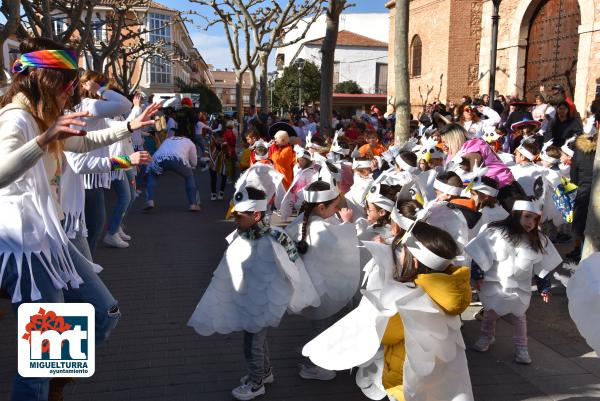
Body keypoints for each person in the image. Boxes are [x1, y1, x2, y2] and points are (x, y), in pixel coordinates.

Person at [0, 37, 159, 400]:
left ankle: (54, 381)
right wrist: (42, 140)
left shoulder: (42, 116)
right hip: (23, 244)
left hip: (49, 239)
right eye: (67, 82)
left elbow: (83, 143)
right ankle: (46, 384)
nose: (72, 91)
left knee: (104, 314)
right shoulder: (15, 118)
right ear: (45, 79)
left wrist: (130, 129)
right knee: (44, 358)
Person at [302, 222, 473, 401]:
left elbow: (383, 334)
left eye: (398, 252)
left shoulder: (410, 302)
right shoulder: (444, 291)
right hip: (430, 380)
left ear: (414, 261)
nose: (394, 255)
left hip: (404, 383)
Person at [187, 183, 318, 401]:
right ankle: (264, 373)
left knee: (252, 343)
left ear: (256, 215)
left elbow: (294, 269)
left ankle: (256, 383)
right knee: (257, 340)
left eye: (239, 217)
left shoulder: (274, 238)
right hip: (251, 299)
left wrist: (297, 295)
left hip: (264, 302)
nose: (235, 221)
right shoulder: (244, 234)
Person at [466, 199, 562, 364]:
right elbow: (479, 253)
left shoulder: (538, 240)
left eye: (534, 219)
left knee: (519, 317)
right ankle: (486, 337)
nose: (530, 223)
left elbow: (543, 266)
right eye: (527, 217)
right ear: (516, 215)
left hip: (521, 288)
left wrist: (544, 287)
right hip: (496, 284)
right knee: (490, 313)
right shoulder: (495, 233)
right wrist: (478, 275)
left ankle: (521, 348)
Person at [285, 178, 359, 380]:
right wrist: (347, 223)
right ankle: (317, 366)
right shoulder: (319, 228)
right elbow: (341, 245)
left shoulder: (302, 221)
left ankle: (316, 361)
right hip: (322, 287)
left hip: (310, 285)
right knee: (322, 327)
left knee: (320, 325)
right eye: (334, 207)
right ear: (321, 206)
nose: (336, 211)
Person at [76, 71, 133, 252]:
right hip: (99, 170)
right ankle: (113, 232)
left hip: (104, 168)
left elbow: (120, 129)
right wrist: (127, 161)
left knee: (89, 227)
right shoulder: (88, 107)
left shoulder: (95, 111)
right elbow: (125, 106)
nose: (107, 91)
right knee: (92, 226)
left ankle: (114, 231)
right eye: (104, 86)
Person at [566, 112, 599, 262]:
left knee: (580, 222)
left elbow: (574, 169)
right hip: (589, 188)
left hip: (585, 189)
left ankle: (578, 250)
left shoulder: (581, 148)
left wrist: (576, 183)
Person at [143, 129, 200, 212]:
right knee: (189, 176)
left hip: (159, 159)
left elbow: (157, 153)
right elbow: (194, 163)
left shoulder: (167, 140)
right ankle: (193, 204)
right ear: (186, 136)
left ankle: (150, 200)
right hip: (178, 159)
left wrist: (148, 170)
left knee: (152, 175)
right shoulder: (189, 142)